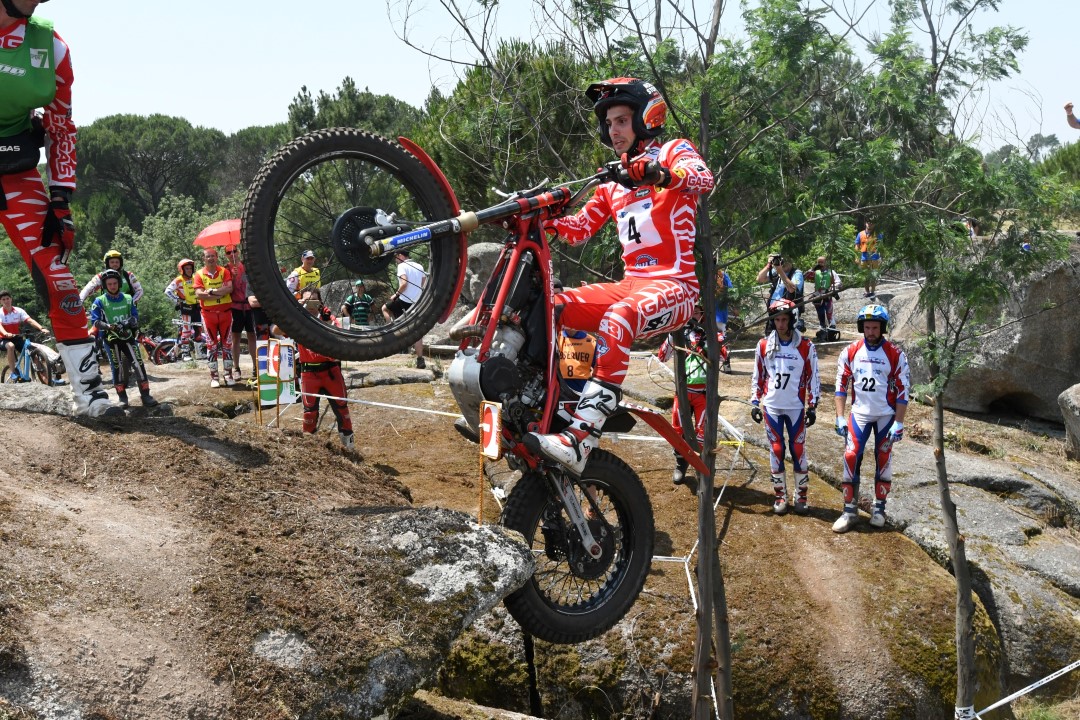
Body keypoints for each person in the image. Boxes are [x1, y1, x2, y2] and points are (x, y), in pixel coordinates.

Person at [525, 77, 714, 474]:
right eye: (609, 123)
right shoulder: (614, 181)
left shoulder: (673, 151)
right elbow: (579, 229)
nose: (613, 130)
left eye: (622, 121)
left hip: (676, 286)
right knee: (552, 307)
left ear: (646, 119)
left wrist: (659, 174)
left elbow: (703, 178)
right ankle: (537, 407)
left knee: (619, 317)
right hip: (631, 286)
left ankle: (582, 440)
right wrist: (544, 219)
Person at [0, 0, 120, 417]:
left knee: (59, 276)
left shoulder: (50, 46)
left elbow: (60, 124)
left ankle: (89, 393)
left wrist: (60, 197)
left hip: (13, 169)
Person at [832, 304, 911, 533]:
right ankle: (849, 511)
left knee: (883, 456)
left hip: (886, 415)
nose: (871, 332)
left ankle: (879, 508)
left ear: (882, 328)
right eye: (867, 327)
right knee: (850, 455)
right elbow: (840, 386)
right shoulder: (850, 351)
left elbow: (903, 390)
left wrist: (900, 421)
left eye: (875, 327)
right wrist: (839, 416)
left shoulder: (895, 354)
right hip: (859, 414)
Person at [749, 299, 820, 514]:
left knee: (798, 449)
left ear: (792, 320)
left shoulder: (806, 346)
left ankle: (802, 495)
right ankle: (780, 495)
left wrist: (813, 405)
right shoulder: (763, 345)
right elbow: (758, 374)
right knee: (777, 449)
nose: (780, 324)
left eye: (784, 319)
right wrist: (754, 401)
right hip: (771, 406)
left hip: (796, 407)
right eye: (777, 320)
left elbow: (813, 376)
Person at [657, 303, 713, 486]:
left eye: (698, 311)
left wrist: (708, 343)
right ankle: (680, 464)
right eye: (691, 311)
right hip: (682, 392)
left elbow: (723, 356)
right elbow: (662, 357)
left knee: (702, 434)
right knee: (678, 432)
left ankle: (701, 470)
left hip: (703, 393)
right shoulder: (679, 332)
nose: (694, 315)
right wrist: (673, 334)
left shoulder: (710, 331)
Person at [293, 288, 354, 449]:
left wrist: (327, 322)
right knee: (309, 414)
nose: (310, 305)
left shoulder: (329, 318)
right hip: (308, 373)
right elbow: (276, 330)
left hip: (330, 371)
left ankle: (349, 449)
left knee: (342, 410)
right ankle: (308, 450)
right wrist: (293, 309)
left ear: (320, 302)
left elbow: (341, 335)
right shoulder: (296, 321)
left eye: (313, 301)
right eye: (306, 301)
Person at [88, 270, 157, 408]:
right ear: (105, 285)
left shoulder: (128, 298)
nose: (112, 286)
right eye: (109, 284)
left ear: (119, 283)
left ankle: (146, 395)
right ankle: (122, 398)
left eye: (114, 283)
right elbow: (95, 321)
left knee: (138, 363)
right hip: (111, 339)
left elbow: (135, 316)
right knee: (117, 367)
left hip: (128, 337)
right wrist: (109, 326)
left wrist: (127, 323)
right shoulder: (99, 301)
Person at [192, 248, 234, 387]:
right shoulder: (198, 274)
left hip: (225, 313)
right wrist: (219, 293)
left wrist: (211, 292)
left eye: (212, 256)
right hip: (208, 314)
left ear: (217, 257)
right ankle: (214, 377)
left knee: (227, 344)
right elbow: (199, 294)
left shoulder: (224, 271)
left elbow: (229, 288)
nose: (210, 258)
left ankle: (228, 374)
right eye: (207, 256)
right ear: (204, 259)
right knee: (211, 345)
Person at [381, 249, 428, 368]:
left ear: (401, 256)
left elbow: (404, 283)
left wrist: (395, 295)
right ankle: (420, 359)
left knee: (385, 309)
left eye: (396, 256)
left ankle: (391, 330)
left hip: (404, 300)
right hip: (417, 302)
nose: (396, 259)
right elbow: (423, 283)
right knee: (417, 332)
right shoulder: (419, 266)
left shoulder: (402, 266)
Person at [0, 289, 49, 380]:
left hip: (16, 337)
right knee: (10, 346)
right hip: (3, 339)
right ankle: (14, 372)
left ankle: (47, 377)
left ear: (11, 299)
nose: (6, 301)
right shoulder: (0, 313)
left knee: (31, 350)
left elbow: (30, 320)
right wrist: (6, 333)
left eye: (7, 298)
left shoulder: (18, 311)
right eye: (3, 299)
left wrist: (41, 328)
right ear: (0, 301)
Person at [224, 246, 256, 382]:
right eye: (229, 252)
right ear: (226, 255)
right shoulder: (225, 269)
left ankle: (256, 367)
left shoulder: (246, 266)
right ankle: (236, 368)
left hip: (249, 306)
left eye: (234, 251)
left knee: (252, 336)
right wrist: (232, 276)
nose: (232, 254)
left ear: (238, 252)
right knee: (235, 338)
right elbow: (226, 288)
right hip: (235, 306)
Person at [164, 258, 203, 362]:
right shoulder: (178, 280)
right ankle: (185, 354)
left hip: (196, 307)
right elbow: (167, 291)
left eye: (190, 268)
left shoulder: (196, 277)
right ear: (182, 269)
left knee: (199, 329)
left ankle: (199, 353)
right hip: (186, 308)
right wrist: (177, 300)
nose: (189, 270)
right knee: (186, 331)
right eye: (187, 268)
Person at [755, 253, 805, 334]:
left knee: (786, 337)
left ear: (791, 262)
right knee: (770, 337)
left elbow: (792, 289)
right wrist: (769, 265)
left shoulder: (797, 273)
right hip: (774, 311)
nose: (783, 264)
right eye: (782, 261)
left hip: (788, 313)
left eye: (786, 262)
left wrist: (780, 271)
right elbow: (759, 279)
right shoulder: (776, 272)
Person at [79, 249, 144, 305]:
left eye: (117, 262)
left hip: (126, 308)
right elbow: (87, 289)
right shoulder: (101, 276)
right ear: (107, 263)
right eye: (112, 262)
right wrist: (80, 301)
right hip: (108, 309)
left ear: (120, 263)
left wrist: (131, 303)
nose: (115, 264)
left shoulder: (128, 275)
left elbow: (139, 290)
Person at [807, 255, 842, 341]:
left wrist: (831, 289)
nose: (820, 264)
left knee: (829, 313)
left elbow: (839, 283)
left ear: (825, 263)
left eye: (822, 262)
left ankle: (832, 331)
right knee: (821, 314)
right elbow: (806, 276)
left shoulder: (831, 272)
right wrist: (812, 269)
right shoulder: (816, 272)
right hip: (818, 297)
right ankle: (822, 331)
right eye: (819, 262)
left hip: (827, 296)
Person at [855, 219, 882, 298]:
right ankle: (867, 292)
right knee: (865, 276)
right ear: (865, 223)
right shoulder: (860, 234)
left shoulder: (877, 234)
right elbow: (857, 245)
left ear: (874, 225)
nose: (869, 224)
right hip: (864, 257)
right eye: (868, 223)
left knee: (873, 275)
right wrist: (856, 256)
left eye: (871, 223)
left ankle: (872, 292)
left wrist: (881, 257)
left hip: (874, 257)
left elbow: (881, 246)